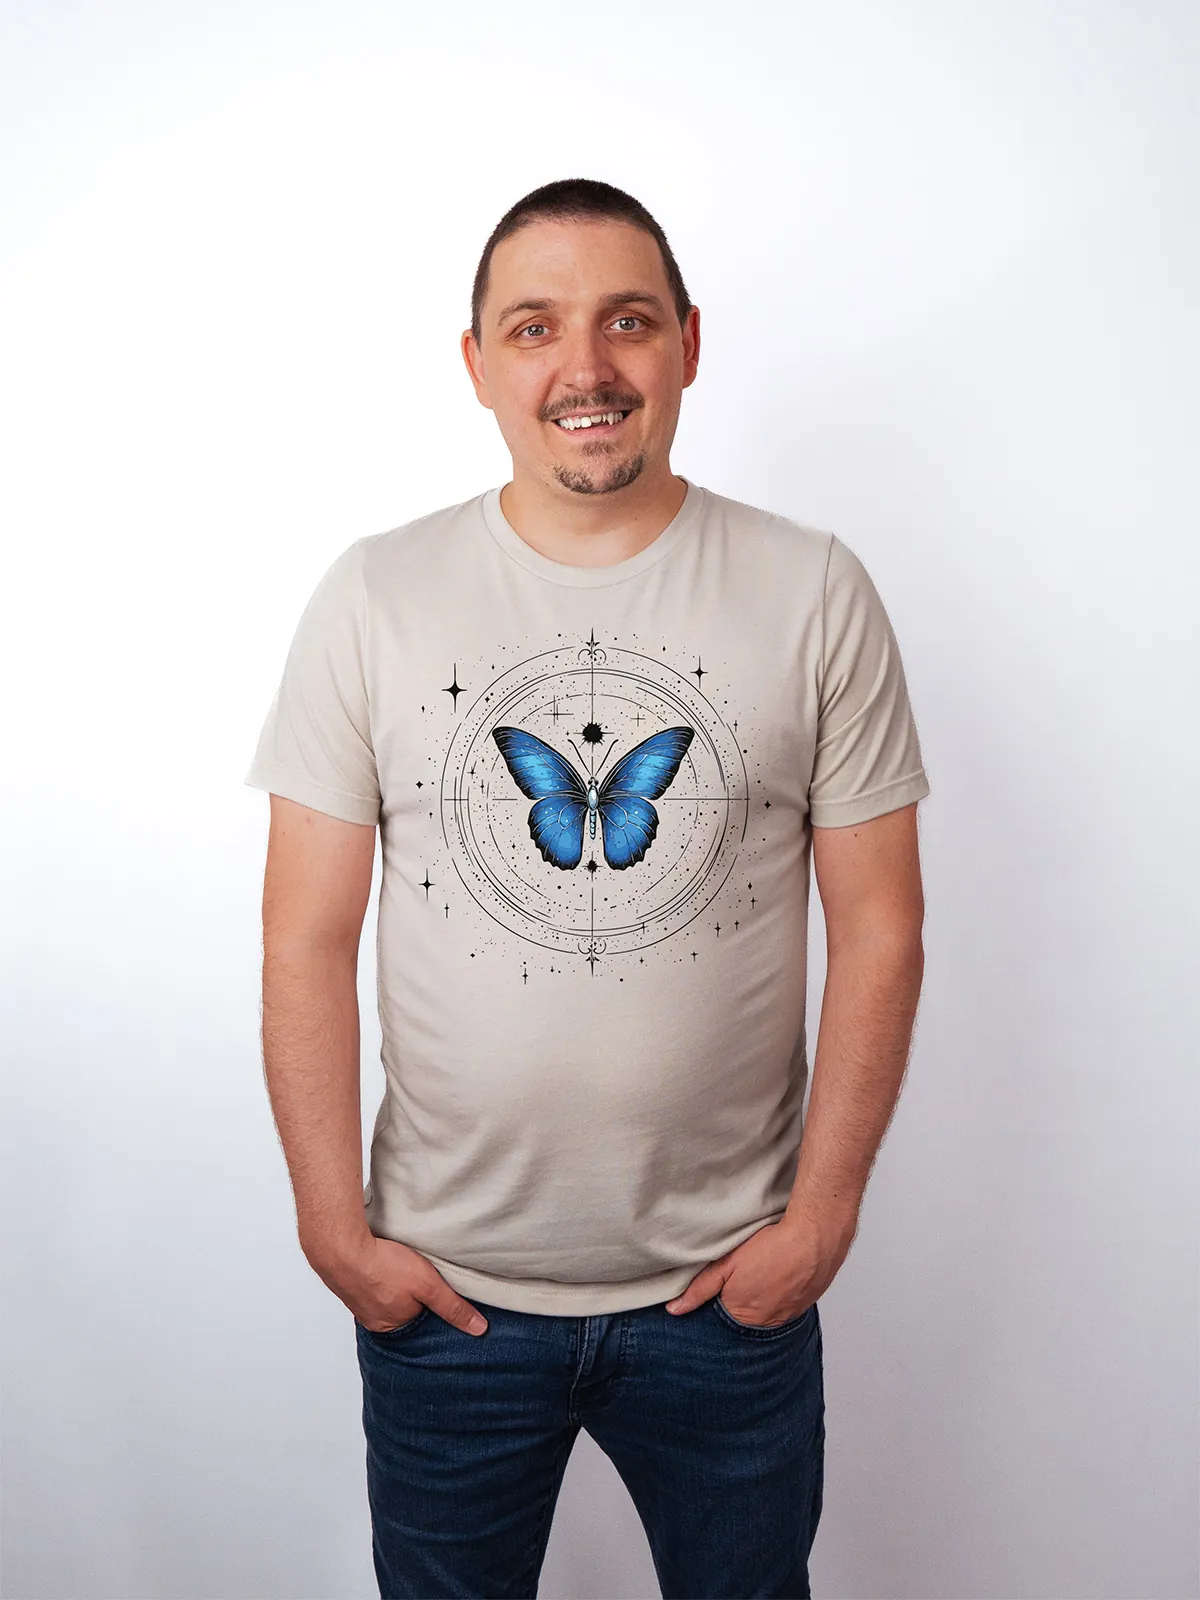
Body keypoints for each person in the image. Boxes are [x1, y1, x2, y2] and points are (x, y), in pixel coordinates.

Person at [245, 176, 930, 1600]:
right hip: (448, 1302)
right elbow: (305, 938)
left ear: (688, 342)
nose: (585, 367)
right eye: (534, 326)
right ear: (477, 362)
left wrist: (820, 1222)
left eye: (627, 320)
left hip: (726, 1297)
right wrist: (332, 1230)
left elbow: (881, 927)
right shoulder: (374, 595)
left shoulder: (813, 589)